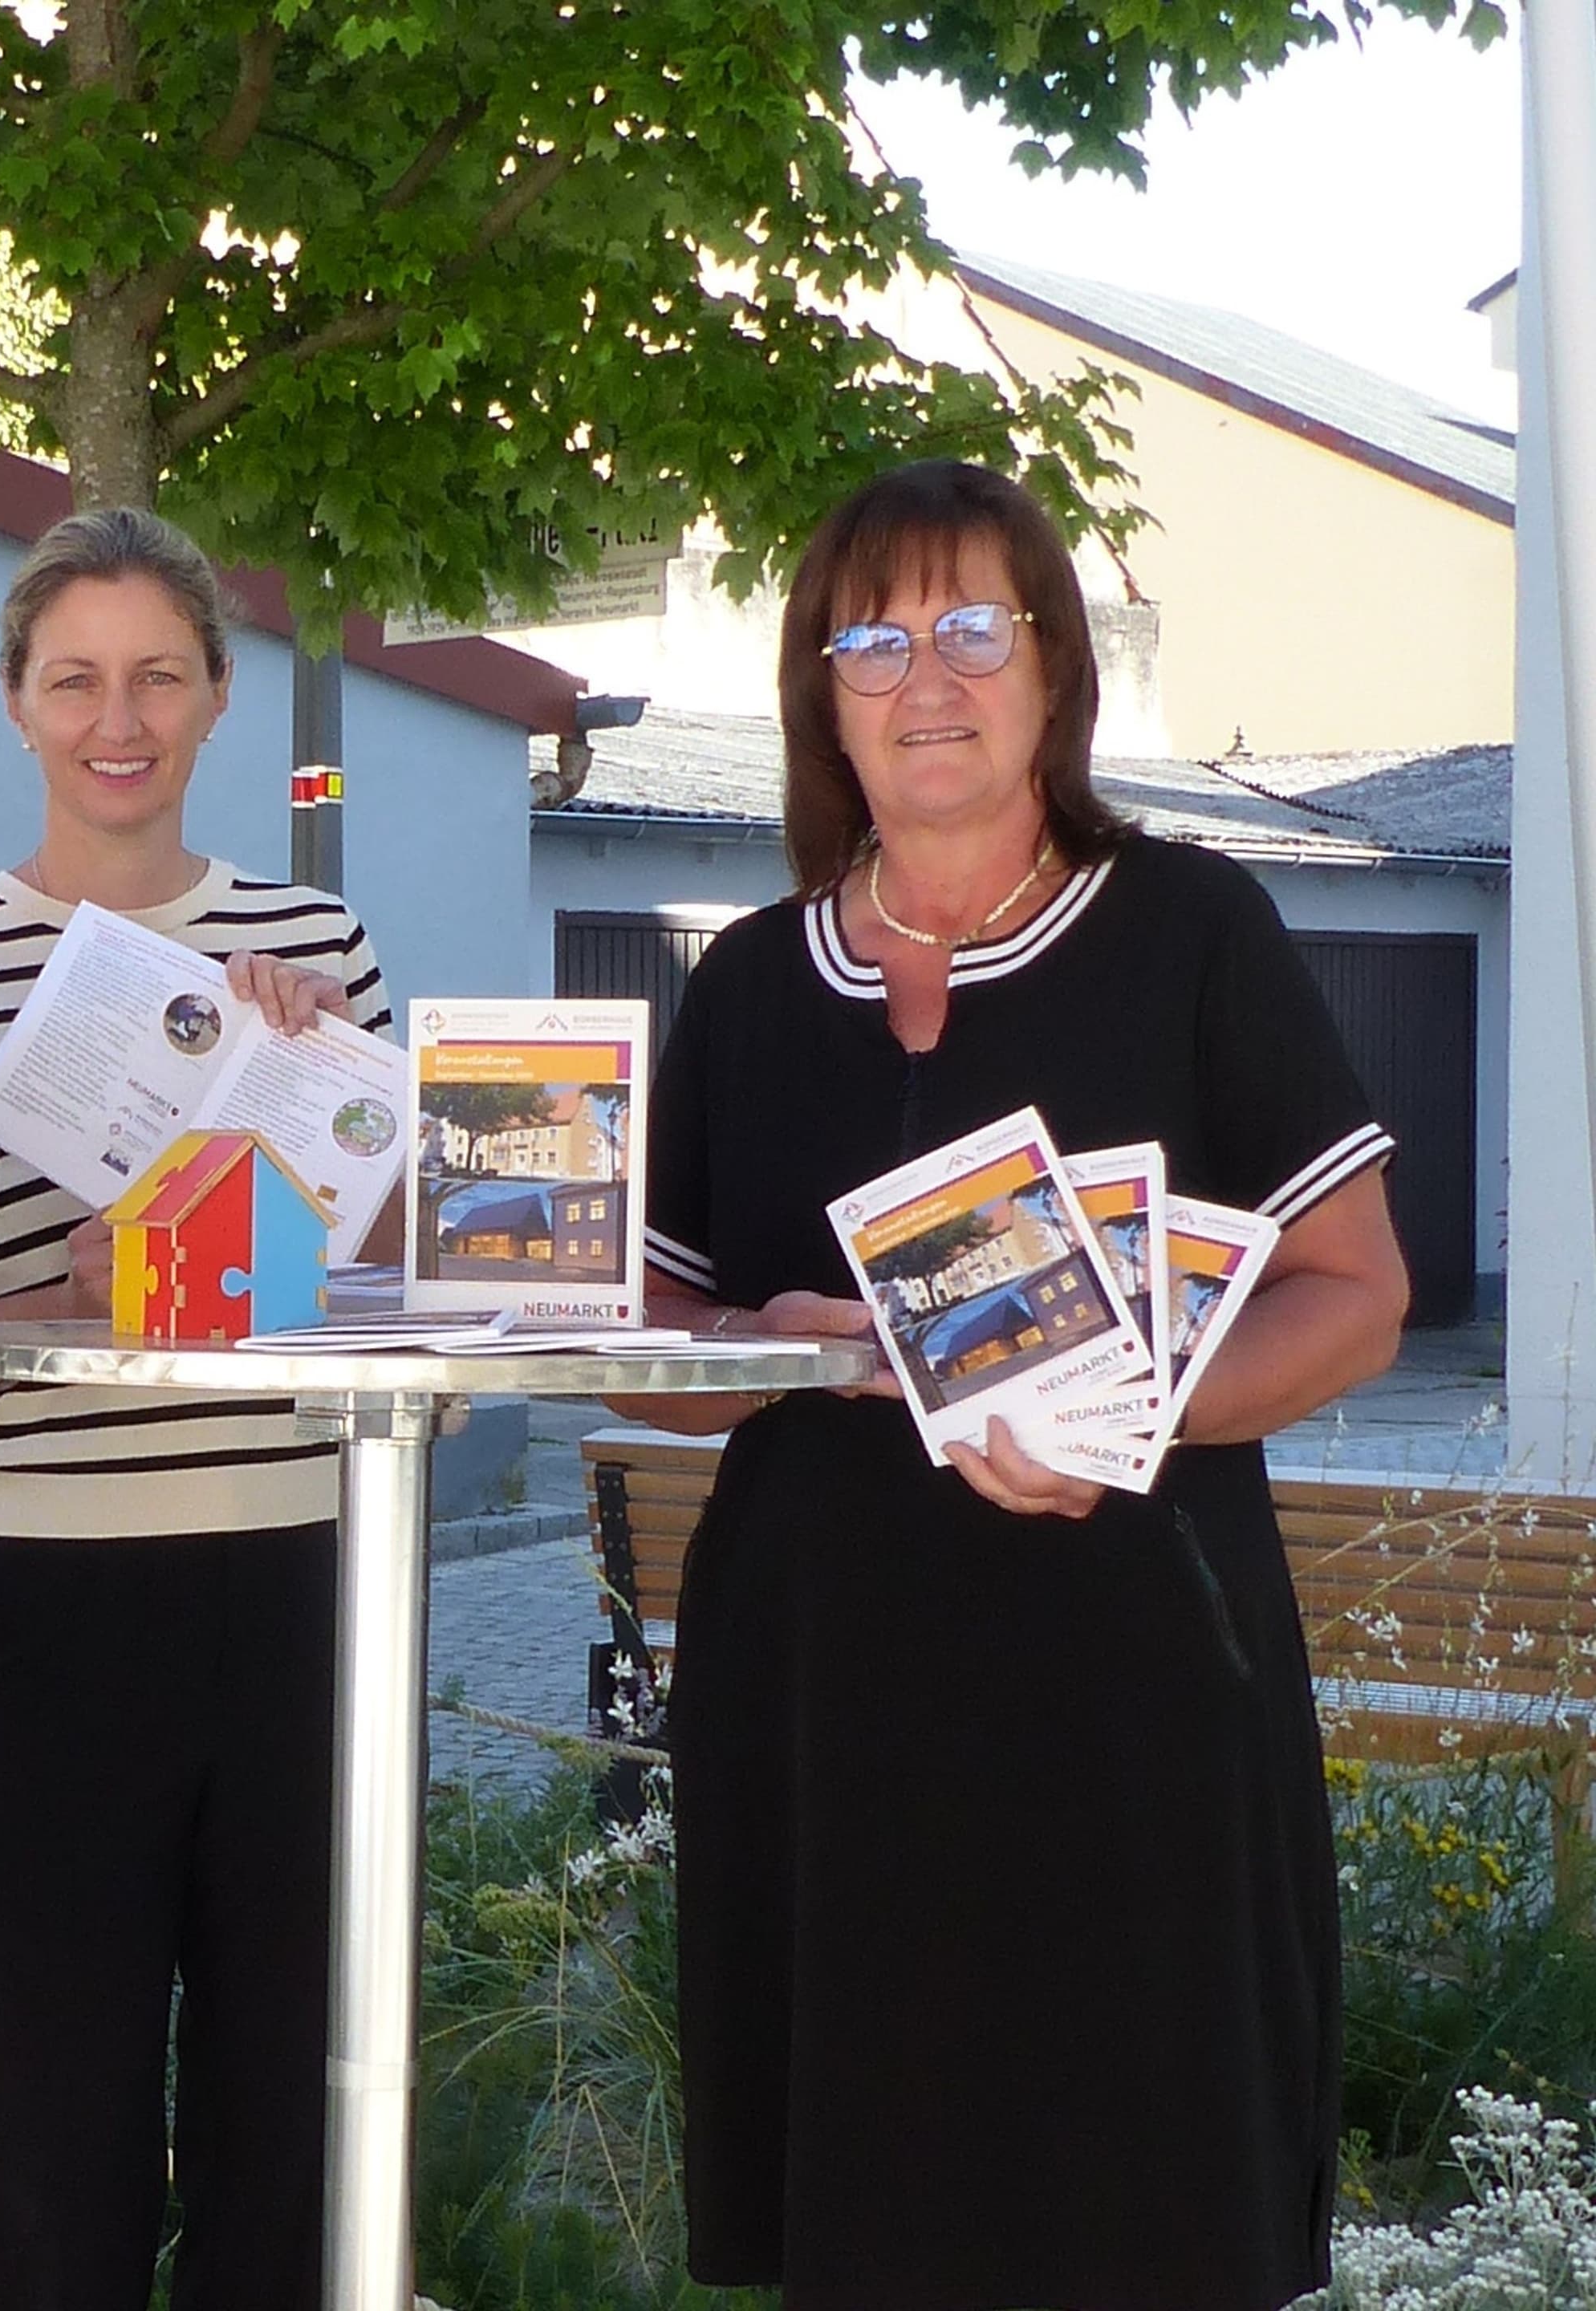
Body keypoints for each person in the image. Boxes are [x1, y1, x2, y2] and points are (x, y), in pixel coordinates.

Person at [611, 458, 1408, 2311]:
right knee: (866, 2222)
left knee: (1146, 2210)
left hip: (1128, 1699)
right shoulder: (742, 983)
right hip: (821, 1708)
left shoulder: (1192, 932)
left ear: (1056, 669)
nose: (925, 677)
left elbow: (1358, 1294)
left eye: (975, 625)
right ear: (822, 690)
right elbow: (650, 1343)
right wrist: (769, 1350)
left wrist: (1132, 1411)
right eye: (871, 637)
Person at [0, 507, 394, 2309]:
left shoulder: (317, 947)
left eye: (159, 672)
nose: (118, 714)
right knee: (46, 2145)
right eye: (74, 677)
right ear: (15, 703)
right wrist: (64, 1305)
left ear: (221, 695)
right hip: (52, 1605)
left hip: (307, 1583)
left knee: (292, 2136)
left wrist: (321, 1097)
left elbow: (386, 1298)